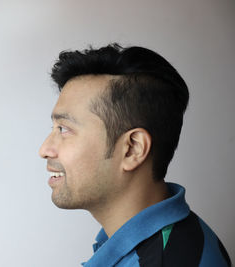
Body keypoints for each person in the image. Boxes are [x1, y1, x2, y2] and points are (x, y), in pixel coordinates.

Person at [39, 43, 231, 267]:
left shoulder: (167, 260)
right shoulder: (169, 240)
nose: (45, 149)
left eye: (64, 129)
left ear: (132, 149)